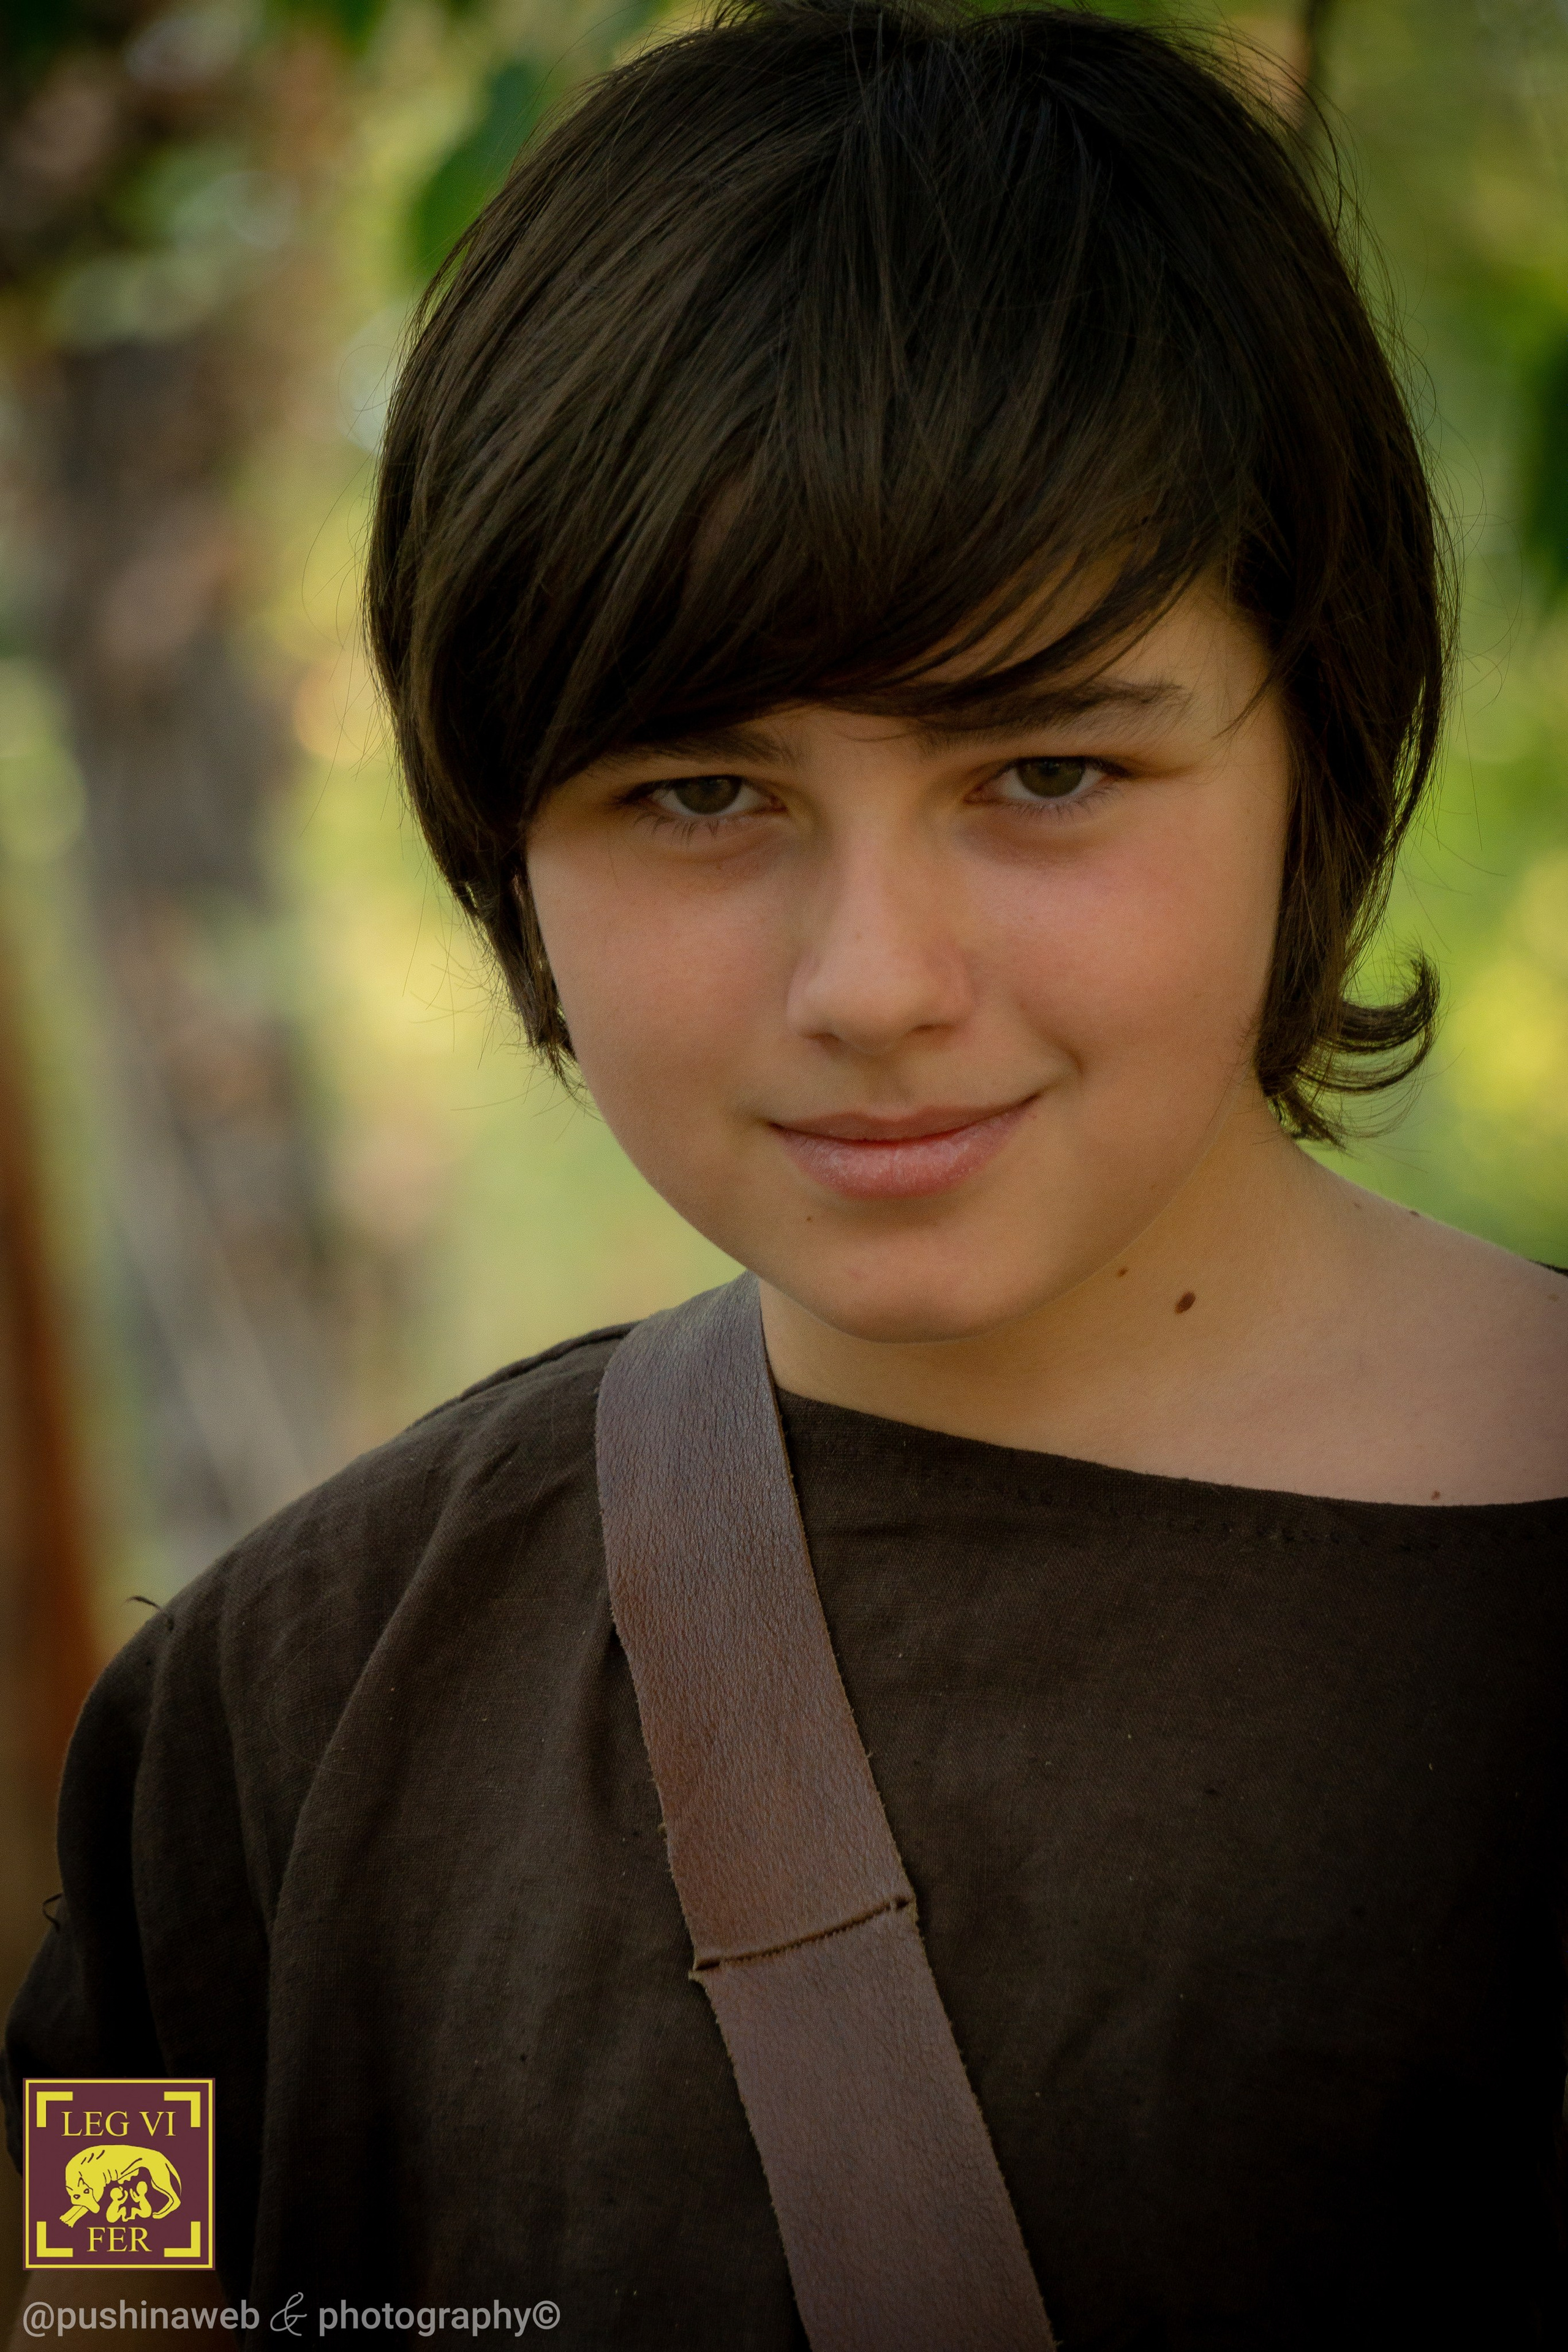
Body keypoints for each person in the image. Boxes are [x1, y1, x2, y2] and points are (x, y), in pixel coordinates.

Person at [7, 0, 1567, 2342]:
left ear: (1311, 738)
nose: (875, 977)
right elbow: (86, 2311)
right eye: (700, 796)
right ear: (505, 837)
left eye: (1046, 770)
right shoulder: (277, 1707)